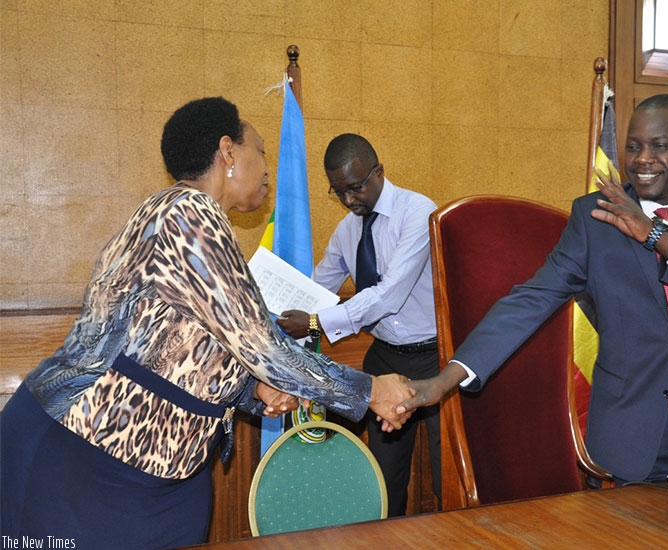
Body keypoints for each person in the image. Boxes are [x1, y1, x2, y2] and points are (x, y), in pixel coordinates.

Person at [0, 97, 411, 548]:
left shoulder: (193, 219)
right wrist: (371, 390)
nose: (268, 167)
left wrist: (253, 389)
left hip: (153, 471)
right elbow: (262, 346)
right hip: (82, 457)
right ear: (228, 152)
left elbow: (182, 348)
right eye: (259, 150)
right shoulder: (186, 215)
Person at [395, 94, 668, 485]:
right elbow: (533, 298)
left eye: (659, 146)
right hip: (638, 432)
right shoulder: (593, 215)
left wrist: (658, 236)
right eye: (633, 146)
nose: (643, 159)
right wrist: (447, 378)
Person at [277, 134, 441, 516]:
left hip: (436, 358)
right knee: (384, 479)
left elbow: (389, 295)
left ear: (378, 173)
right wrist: (275, 313)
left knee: (445, 473)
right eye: (339, 193)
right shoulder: (347, 230)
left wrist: (316, 321)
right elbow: (319, 287)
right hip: (384, 359)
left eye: (355, 188)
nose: (350, 201)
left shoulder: (418, 212)